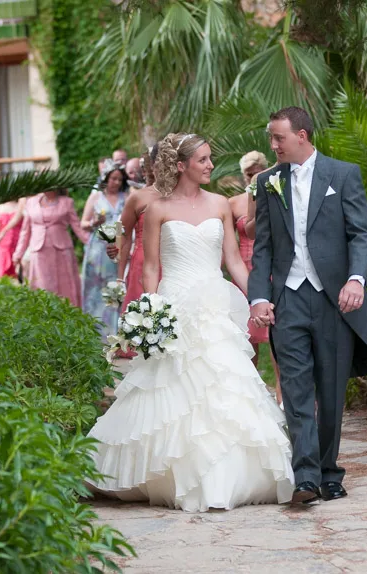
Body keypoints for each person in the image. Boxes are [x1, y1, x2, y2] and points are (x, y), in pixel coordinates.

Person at [88, 133, 294, 512]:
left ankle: (230, 477)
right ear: (181, 165)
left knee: (225, 382)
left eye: (210, 158)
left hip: (214, 304)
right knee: (172, 389)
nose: (211, 165)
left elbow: (233, 260)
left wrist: (259, 299)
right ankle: (172, 474)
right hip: (175, 304)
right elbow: (150, 267)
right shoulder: (159, 209)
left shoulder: (218, 204)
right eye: (203, 160)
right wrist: (152, 312)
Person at [249, 107, 367, 505]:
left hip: (334, 301)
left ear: (302, 136)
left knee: (330, 390)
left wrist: (356, 279)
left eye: (279, 138)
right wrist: (259, 296)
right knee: (295, 389)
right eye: (272, 138)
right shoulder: (267, 182)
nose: (273, 145)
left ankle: (329, 472)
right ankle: (305, 476)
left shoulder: (343, 175)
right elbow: (263, 249)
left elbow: (362, 234)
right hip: (287, 299)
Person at [229, 151, 282, 406]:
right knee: (247, 336)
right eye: (250, 173)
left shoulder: (275, 191)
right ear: (243, 175)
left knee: (274, 333)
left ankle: (282, 394)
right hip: (242, 268)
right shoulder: (232, 204)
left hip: (269, 266)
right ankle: (252, 397)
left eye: (258, 170)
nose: (254, 176)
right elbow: (226, 243)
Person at [12, 190, 87, 303]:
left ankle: (70, 317)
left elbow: (77, 227)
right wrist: (18, 253)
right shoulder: (30, 202)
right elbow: (25, 231)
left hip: (62, 250)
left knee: (65, 288)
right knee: (42, 287)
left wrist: (93, 243)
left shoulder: (67, 202)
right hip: (39, 251)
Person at [81, 160, 128, 337]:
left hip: (119, 244)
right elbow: (83, 223)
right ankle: (96, 329)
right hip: (99, 247)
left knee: (116, 284)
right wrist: (94, 222)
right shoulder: (95, 197)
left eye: (119, 179)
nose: (116, 182)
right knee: (96, 287)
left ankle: (116, 328)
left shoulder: (127, 197)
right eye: (113, 178)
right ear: (105, 178)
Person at [116, 144, 160, 310]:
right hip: (142, 261)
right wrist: (120, 277)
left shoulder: (180, 196)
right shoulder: (137, 198)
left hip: (173, 262)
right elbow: (123, 233)